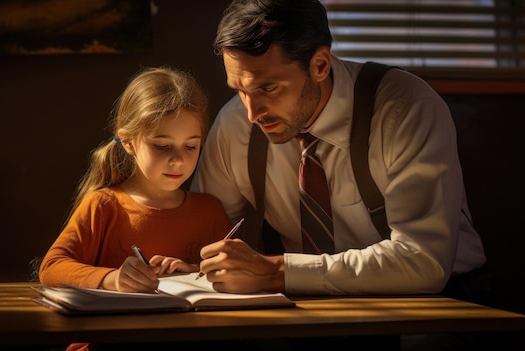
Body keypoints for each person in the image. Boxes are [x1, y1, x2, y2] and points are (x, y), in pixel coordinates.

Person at [191, 1, 494, 349]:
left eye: (268, 88)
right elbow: (208, 233)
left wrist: (278, 271)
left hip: (438, 302)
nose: (251, 113)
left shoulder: (405, 108)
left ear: (319, 65)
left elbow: (423, 260)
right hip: (306, 309)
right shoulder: (235, 128)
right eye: (240, 90)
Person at [38, 66, 232, 351]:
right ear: (128, 142)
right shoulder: (104, 205)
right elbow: (52, 268)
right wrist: (112, 279)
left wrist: (192, 271)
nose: (178, 161)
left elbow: (228, 278)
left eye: (191, 147)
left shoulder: (210, 211)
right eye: (162, 146)